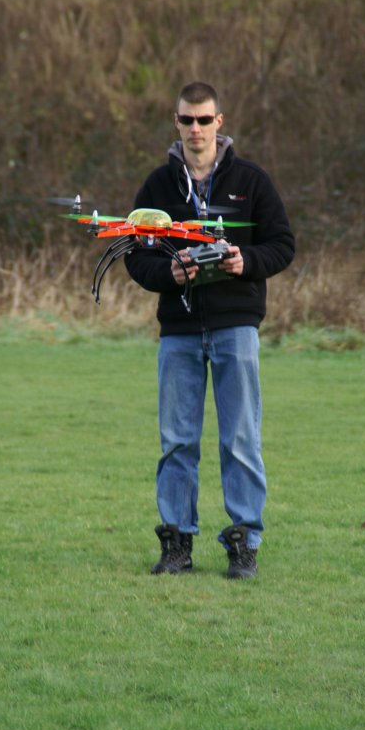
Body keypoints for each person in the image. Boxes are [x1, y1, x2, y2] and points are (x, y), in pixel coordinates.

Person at [124, 81, 295, 579]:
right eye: (186, 120)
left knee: (240, 438)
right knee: (177, 441)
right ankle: (177, 542)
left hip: (235, 327)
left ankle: (244, 543)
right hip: (177, 331)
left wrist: (246, 261)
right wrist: (170, 273)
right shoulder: (157, 187)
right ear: (175, 123)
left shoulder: (252, 181)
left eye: (204, 120)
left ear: (220, 122)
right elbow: (135, 256)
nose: (195, 129)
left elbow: (283, 244)